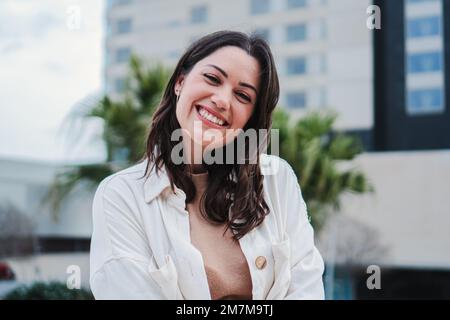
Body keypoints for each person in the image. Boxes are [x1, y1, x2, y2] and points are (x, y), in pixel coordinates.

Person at [89, 30, 324, 300]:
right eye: (212, 79)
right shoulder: (122, 196)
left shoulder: (277, 179)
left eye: (243, 96)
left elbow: (307, 289)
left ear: (250, 118)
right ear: (180, 82)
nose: (223, 100)